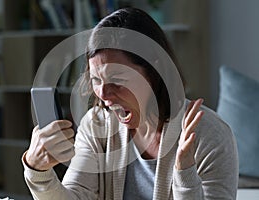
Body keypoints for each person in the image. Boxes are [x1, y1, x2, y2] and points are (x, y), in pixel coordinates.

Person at [22, 7, 238, 200]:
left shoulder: (210, 136)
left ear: (154, 72)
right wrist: (38, 172)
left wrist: (185, 174)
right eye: (96, 80)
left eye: (117, 80)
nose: (104, 95)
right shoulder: (97, 125)